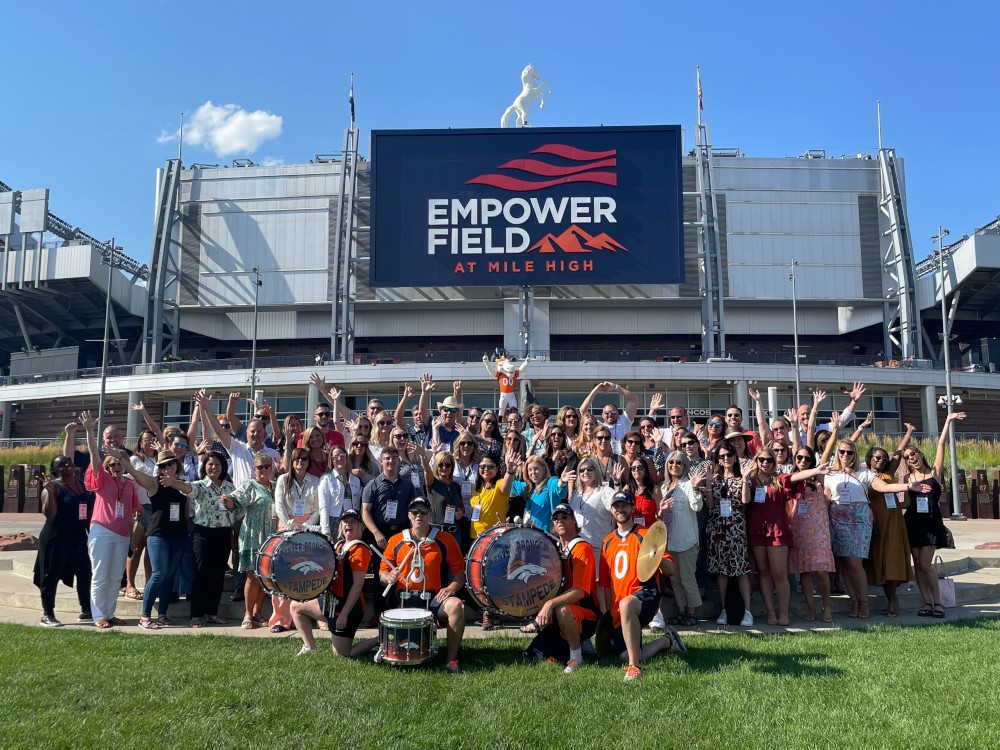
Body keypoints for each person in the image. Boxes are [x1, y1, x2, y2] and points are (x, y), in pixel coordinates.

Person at [825, 434, 932, 619]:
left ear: (854, 454)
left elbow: (884, 487)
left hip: (859, 519)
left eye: (849, 452)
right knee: (844, 564)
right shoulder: (829, 474)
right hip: (837, 519)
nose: (845, 455)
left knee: (854, 563)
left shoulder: (864, 473)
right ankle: (854, 602)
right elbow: (827, 498)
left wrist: (908, 487)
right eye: (841, 451)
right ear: (837, 453)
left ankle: (864, 602)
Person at [598, 490, 686, 682]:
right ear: (612, 511)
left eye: (624, 505)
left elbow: (670, 569)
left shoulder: (645, 535)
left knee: (627, 605)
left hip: (645, 595)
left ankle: (634, 668)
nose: (620, 509)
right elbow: (605, 584)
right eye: (616, 506)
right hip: (620, 607)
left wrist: (656, 558)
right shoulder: (607, 542)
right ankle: (667, 640)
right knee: (627, 652)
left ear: (632, 507)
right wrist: (607, 615)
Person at [379, 498, 467, 672]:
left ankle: (450, 659)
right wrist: (389, 577)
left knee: (457, 605)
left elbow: (459, 573)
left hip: (434, 598)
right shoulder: (396, 540)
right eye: (415, 512)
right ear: (409, 515)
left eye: (424, 511)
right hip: (404, 600)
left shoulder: (444, 539)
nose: (419, 515)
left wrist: (451, 588)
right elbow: (382, 573)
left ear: (430, 514)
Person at [80, 411, 142, 629]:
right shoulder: (103, 479)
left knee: (116, 578)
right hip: (102, 531)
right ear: (107, 468)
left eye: (120, 464)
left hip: (123, 535)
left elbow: (133, 512)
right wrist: (89, 431)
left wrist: (133, 536)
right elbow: (94, 457)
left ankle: (110, 612)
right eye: (113, 465)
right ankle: (98, 615)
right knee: (100, 575)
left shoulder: (129, 485)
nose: (117, 467)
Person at [523, 504, 600, 673]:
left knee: (563, 610)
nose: (560, 521)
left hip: (585, 613)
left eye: (564, 516)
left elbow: (580, 591)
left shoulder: (582, 548)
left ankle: (576, 657)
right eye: (556, 518)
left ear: (573, 520)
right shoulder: (556, 549)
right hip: (559, 615)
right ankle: (580, 644)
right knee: (533, 656)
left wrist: (549, 605)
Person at [901, 412, 964, 619]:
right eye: (908, 457)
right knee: (917, 565)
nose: (911, 458)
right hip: (912, 521)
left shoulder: (933, 472)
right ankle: (926, 602)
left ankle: (938, 603)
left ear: (920, 454)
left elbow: (941, 445)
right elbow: (907, 503)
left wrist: (947, 420)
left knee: (926, 564)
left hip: (930, 522)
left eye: (913, 454)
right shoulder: (907, 477)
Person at [290, 510, 379, 657]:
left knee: (342, 654)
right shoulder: (339, 545)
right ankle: (310, 647)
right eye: (345, 521)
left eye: (352, 522)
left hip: (348, 608)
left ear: (360, 526)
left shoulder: (360, 550)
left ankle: (379, 640)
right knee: (296, 606)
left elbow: (357, 585)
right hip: (331, 604)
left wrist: (344, 614)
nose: (348, 524)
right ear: (340, 525)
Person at [119, 449, 190, 629]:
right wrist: (122, 459)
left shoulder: (182, 484)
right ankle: (145, 616)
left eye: (171, 463)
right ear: (159, 468)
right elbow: (135, 474)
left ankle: (163, 615)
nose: (168, 467)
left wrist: (174, 483)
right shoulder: (154, 483)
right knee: (158, 573)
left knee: (169, 577)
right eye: (164, 465)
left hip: (179, 535)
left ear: (176, 465)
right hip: (158, 534)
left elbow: (187, 505)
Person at [268, 448, 328, 633]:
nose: (300, 462)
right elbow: (279, 506)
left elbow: (318, 508)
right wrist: (290, 525)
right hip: (286, 530)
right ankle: (281, 619)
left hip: (309, 530)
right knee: (284, 575)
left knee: (314, 575)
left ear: (308, 461)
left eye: (303, 458)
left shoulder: (316, 481)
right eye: (296, 459)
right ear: (291, 461)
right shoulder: (282, 480)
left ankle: (318, 617)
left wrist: (306, 526)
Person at [221, 453, 279, 629]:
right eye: (260, 467)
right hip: (253, 535)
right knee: (253, 576)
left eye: (267, 466)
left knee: (265, 577)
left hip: (271, 538)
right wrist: (227, 501)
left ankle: (257, 613)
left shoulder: (276, 487)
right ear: (254, 469)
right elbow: (235, 500)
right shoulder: (249, 485)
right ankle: (247, 614)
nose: (264, 470)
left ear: (272, 468)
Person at [34, 455, 93, 626]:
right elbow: (50, 514)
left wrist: (92, 534)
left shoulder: (82, 485)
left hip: (78, 536)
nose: (67, 465)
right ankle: (47, 614)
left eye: (68, 462)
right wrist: (51, 493)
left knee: (84, 572)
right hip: (56, 536)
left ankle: (86, 610)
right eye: (62, 464)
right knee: (51, 574)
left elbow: (88, 512)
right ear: (55, 471)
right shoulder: (53, 487)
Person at [864, 434, 915, 617]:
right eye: (877, 457)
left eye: (884, 458)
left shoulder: (888, 473)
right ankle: (889, 598)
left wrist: (908, 434)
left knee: (892, 557)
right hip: (876, 522)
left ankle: (892, 600)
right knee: (881, 559)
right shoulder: (864, 475)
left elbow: (898, 455)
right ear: (869, 458)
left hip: (893, 521)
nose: (881, 460)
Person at [184, 450, 236, 627]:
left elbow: (236, 509)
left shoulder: (229, 487)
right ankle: (196, 614)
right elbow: (187, 489)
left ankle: (212, 612)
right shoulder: (199, 485)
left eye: (218, 464)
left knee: (218, 575)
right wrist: (172, 482)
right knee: (201, 574)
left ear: (223, 467)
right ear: (204, 466)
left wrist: (231, 505)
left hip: (223, 533)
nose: (214, 467)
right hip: (203, 533)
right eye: (210, 464)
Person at [705, 441, 753, 627]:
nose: (726, 458)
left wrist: (745, 480)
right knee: (721, 572)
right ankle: (724, 609)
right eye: (722, 456)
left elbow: (745, 502)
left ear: (735, 457)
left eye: (729, 455)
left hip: (736, 529)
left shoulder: (742, 478)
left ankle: (747, 612)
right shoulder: (715, 480)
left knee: (741, 569)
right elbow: (709, 506)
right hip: (718, 529)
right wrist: (708, 484)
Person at [788, 447, 837, 623]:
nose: (802, 461)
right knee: (805, 572)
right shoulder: (791, 478)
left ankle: (827, 606)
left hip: (819, 530)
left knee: (821, 570)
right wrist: (794, 425)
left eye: (807, 459)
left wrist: (837, 430)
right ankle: (811, 609)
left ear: (812, 462)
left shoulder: (819, 478)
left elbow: (826, 453)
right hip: (799, 528)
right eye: (799, 457)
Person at [661, 451, 707, 627]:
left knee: (688, 578)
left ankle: (692, 613)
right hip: (670, 540)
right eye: (671, 462)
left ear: (685, 465)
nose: (674, 465)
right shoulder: (665, 487)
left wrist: (695, 487)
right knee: (675, 580)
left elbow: (697, 506)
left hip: (687, 540)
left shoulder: (689, 485)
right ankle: (681, 611)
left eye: (679, 463)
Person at [126, 429, 158, 601]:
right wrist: (135, 506)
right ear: (140, 442)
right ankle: (130, 585)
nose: (150, 442)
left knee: (150, 549)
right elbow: (131, 483)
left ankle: (148, 584)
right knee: (136, 548)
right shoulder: (135, 459)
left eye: (152, 439)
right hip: (141, 507)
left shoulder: (158, 459)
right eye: (146, 439)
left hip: (156, 507)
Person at [567, 457, 617, 560]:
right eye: (582, 470)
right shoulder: (576, 494)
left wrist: (617, 483)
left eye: (589, 469)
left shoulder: (604, 491)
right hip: (576, 548)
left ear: (595, 471)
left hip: (597, 549)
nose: (585, 472)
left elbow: (618, 503)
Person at [510, 457, 572, 533]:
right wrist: (510, 470)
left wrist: (562, 481)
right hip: (529, 537)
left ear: (544, 469)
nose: (533, 472)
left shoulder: (550, 483)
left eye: (536, 468)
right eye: (530, 470)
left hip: (547, 537)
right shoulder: (528, 488)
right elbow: (511, 484)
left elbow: (558, 488)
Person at [581, 381, 639, 453]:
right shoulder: (599, 426)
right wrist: (595, 391)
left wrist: (616, 387)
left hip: (624, 459)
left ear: (617, 414)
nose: (610, 415)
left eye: (613, 412)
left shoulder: (624, 421)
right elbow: (583, 411)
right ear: (602, 415)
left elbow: (634, 400)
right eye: (607, 413)